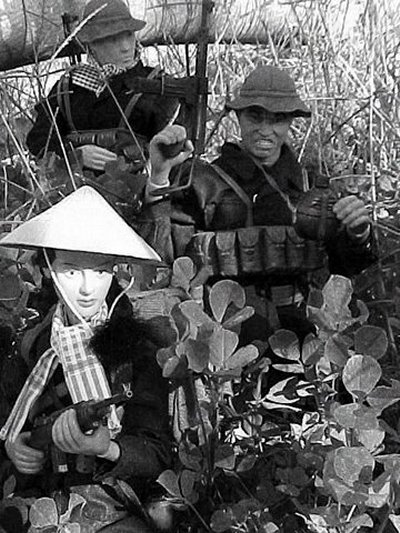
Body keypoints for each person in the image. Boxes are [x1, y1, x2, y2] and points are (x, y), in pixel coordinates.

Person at [137, 64, 376, 342]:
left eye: (277, 119)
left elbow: (345, 268)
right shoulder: (204, 183)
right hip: (224, 331)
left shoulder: (311, 186)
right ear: (238, 116)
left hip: (301, 330)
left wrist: (358, 233)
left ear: (291, 121)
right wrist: (159, 177)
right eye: (255, 117)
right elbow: (161, 258)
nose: (265, 130)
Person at [0, 186, 170, 532]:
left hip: (114, 503)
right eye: (72, 271)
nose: (87, 288)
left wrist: (109, 449)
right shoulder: (32, 345)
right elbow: (7, 414)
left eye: (100, 272)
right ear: (49, 269)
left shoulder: (136, 349)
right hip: (39, 502)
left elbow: (157, 452)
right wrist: (14, 446)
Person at [26, 0, 184, 222]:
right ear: (91, 44)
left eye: (129, 35)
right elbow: (38, 142)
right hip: (74, 205)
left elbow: (175, 151)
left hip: (139, 205)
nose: (126, 46)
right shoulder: (67, 88)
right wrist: (75, 155)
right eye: (113, 38)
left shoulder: (157, 86)